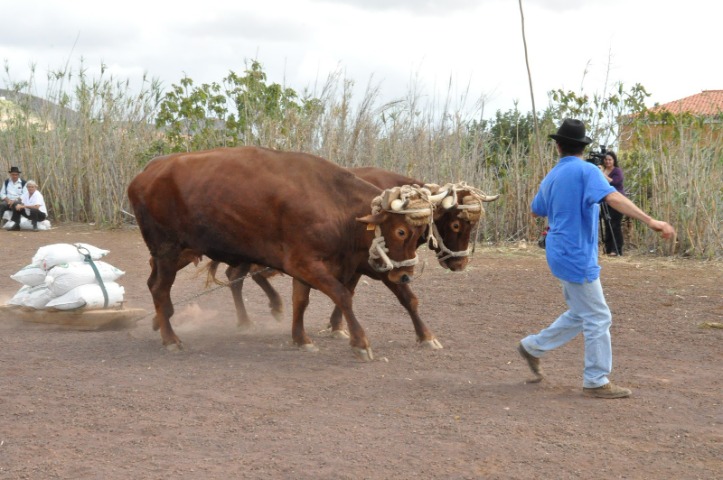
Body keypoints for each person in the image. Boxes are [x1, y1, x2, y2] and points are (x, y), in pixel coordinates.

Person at [517, 118, 675, 399]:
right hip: (576, 253)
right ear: (582, 146)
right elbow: (613, 198)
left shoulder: (552, 175)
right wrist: (651, 221)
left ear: (558, 146)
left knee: (581, 313)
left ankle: (533, 346)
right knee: (598, 316)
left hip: (559, 252)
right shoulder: (587, 170)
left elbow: (535, 209)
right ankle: (596, 380)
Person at [599, 151, 625, 255]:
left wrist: (602, 174)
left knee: (615, 225)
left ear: (614, 160)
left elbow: (614, 182)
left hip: (618, 200)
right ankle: (608, 249)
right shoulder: (602, 170)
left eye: (610, 159)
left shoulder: (617, 171)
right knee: (607, 224)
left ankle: (617, 249)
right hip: (606, 200)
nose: (608, 161)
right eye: (606, 160)